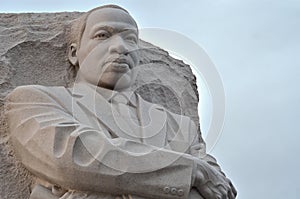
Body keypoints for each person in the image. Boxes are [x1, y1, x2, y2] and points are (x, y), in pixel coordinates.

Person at [6, 5, 236, 199]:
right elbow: (69, 158)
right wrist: (190, 172)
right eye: (103, 35)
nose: (121, 47)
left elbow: (219, 187)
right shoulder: (36, 100)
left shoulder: (178, 126)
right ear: (74, 54)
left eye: (131, 39)